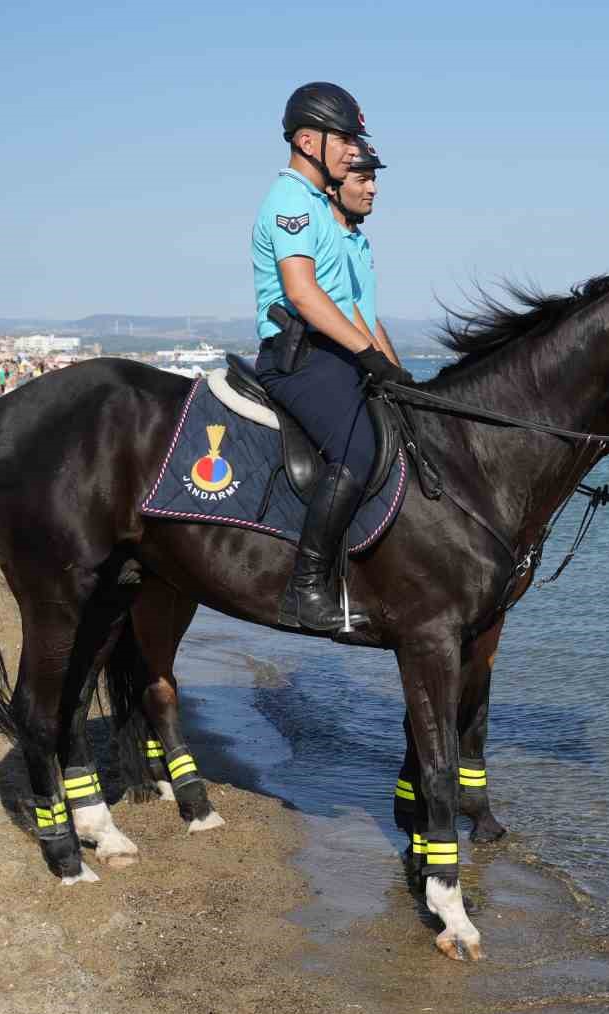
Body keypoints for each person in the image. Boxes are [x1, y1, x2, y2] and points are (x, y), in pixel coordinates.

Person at [250, 82, 409, 632]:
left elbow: (350, 307)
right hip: (296, 355)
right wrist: (368, 355)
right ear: (306, 140)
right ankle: (306, 589)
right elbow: (302, 293)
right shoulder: (291, 200)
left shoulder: (318, 205)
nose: (352, 150)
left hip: (329, 350)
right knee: (356, 449)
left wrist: (392, 372)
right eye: (344, 139)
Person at [327, 139, 403, 366]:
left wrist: (398, 377)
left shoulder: (359, 239)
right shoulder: (328, 237)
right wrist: (380, 364)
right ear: (332, 187)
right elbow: (345, 309)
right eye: (362, 180)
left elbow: (367, 317)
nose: (373, 189)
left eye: (373, 180)